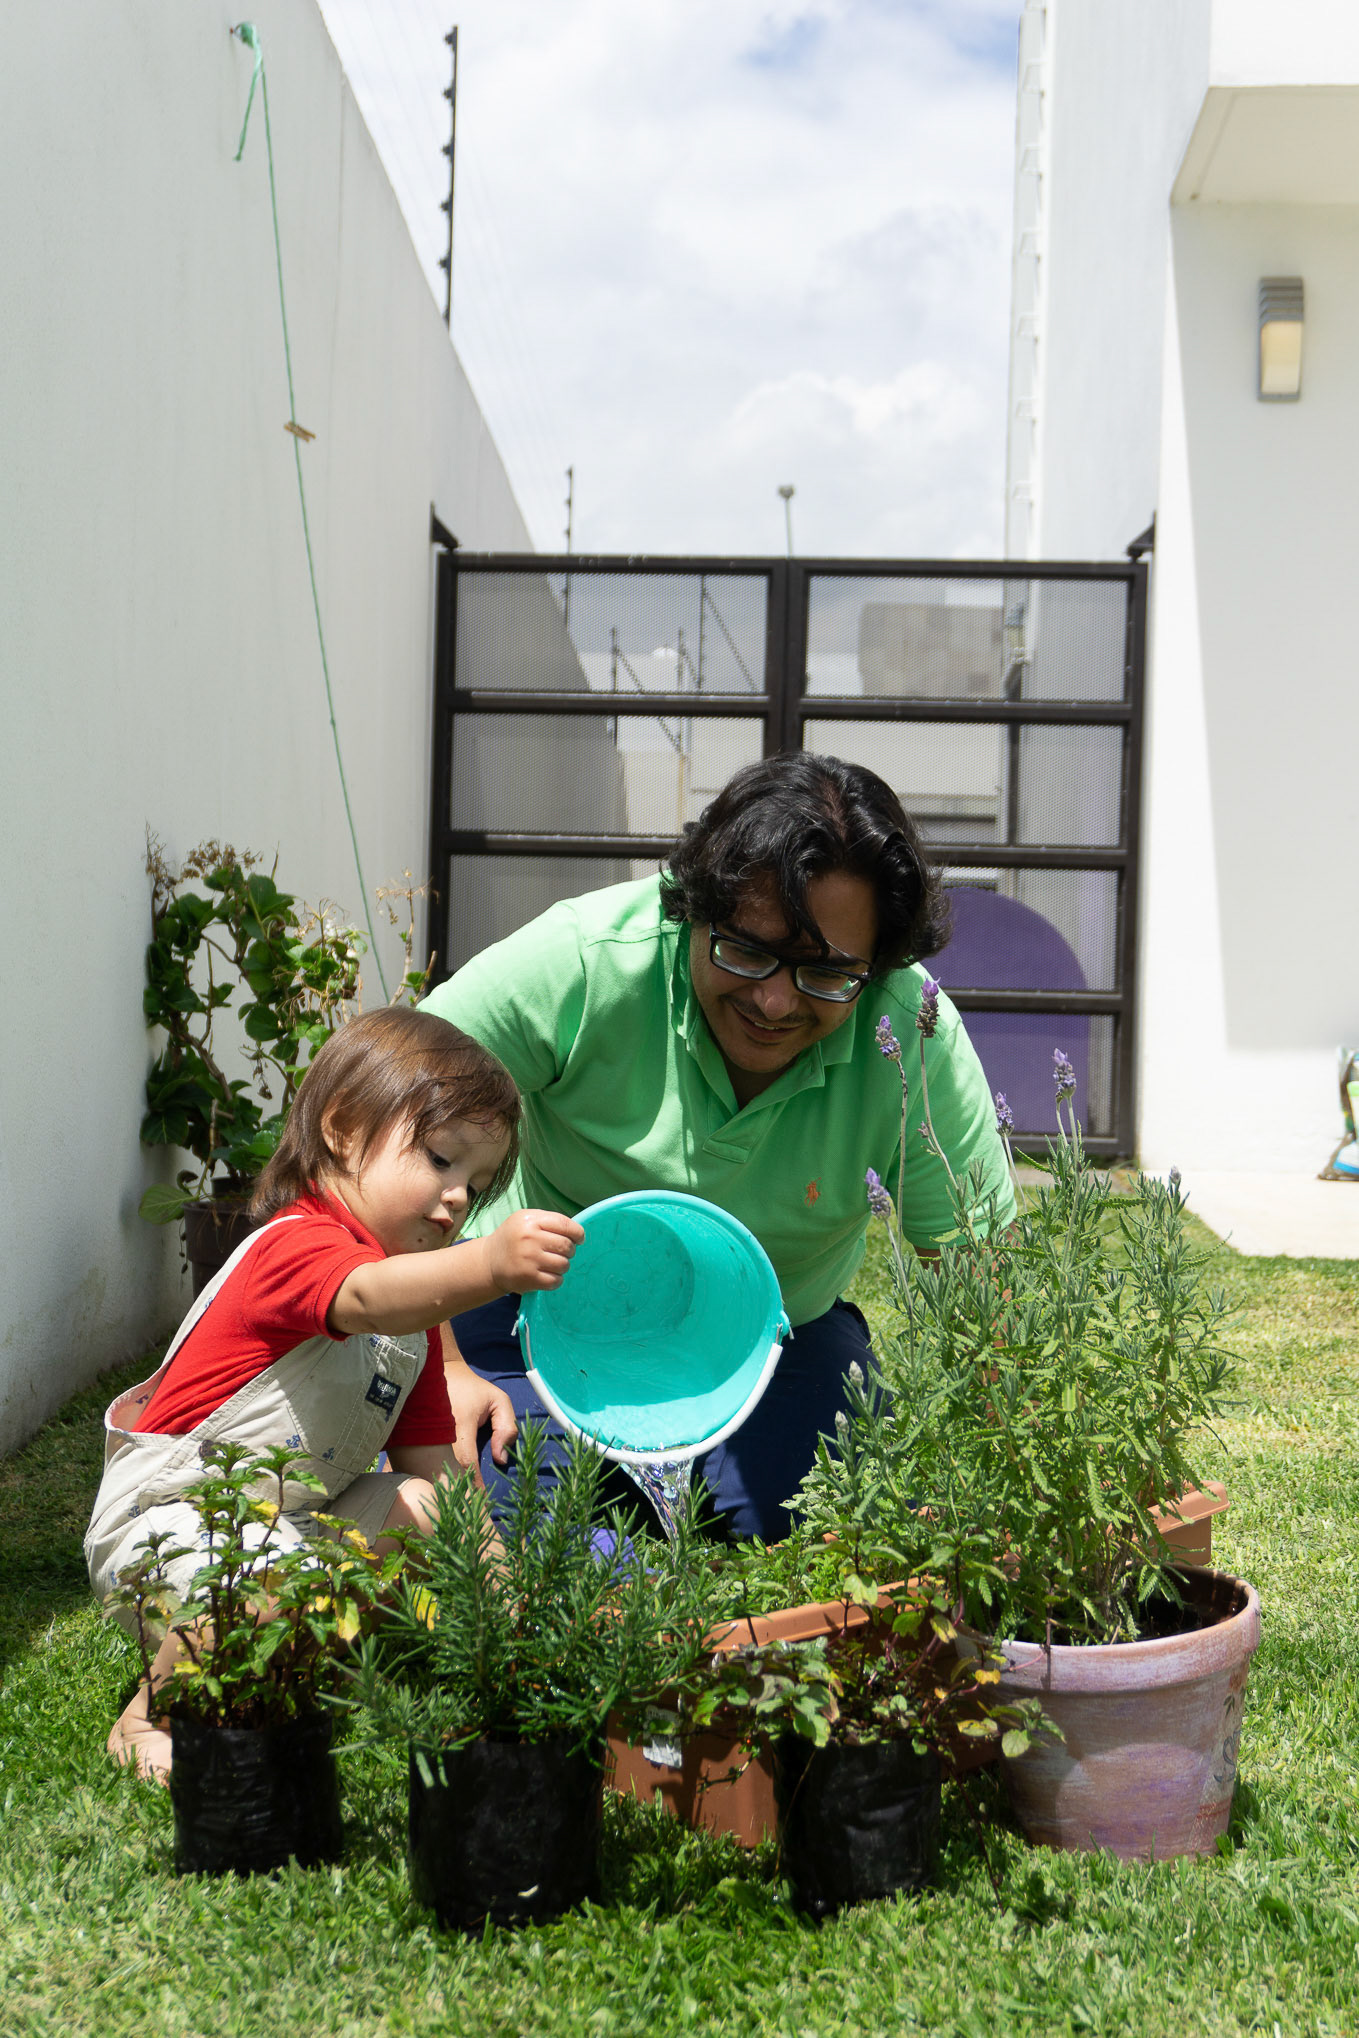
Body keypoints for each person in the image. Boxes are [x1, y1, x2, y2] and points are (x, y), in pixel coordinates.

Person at [422, 751, 1013, 1540]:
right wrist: (445, 1370)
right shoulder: (588, 961)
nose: (773, 1001)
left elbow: (981, 1272)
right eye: (746, 949)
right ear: (691, 907)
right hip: (532, 1321)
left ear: (876, 968)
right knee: (519, 1523)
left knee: (853, 1520)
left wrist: (1004, 1462)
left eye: (826, 973)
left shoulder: (909, 1033)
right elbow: (382, 1122)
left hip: (777, 1345)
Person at [87, 1006, 582, 1778]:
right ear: (345, 1129)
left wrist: (512, 1604)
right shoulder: (299, 1244)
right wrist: (488, 1267)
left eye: (478, 1186)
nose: (457, 1199)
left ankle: (323, 1655)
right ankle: (150, 1717)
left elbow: (438, 1476)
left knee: (422, 1509)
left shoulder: (410, 1328)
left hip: (291, 1524)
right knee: (265, 1587)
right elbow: (364, 1296)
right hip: (170, 1525)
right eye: (441, 1159)